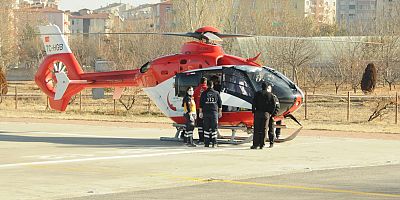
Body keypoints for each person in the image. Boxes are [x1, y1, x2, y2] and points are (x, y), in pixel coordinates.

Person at [251, 82, 276, 149]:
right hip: (266, 113)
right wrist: (271, 113)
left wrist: (253, 111)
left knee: (256, 129)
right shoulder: (270, 95)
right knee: (264, 129)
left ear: (261, 87)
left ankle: (255, 144)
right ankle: (262, 144)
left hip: (258, 112)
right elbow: (273, 105)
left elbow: (253, 103)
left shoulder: (257, 93)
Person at [199, 81, 222, 148]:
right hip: (214, 112)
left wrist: (200, 112)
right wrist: (220, 112)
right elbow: (220, 103)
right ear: (212, 85)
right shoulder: (216, 93)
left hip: (206, 112)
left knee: (206, 128)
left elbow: (201, 104)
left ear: (207, 85)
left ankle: (206, 143)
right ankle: (214, 143)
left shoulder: (203, 93)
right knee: (214, 128)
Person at [194, 77, 208, 145]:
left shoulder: (196, 89)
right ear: (205, 82)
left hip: (198, 109)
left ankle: (201, 139)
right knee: (206, 124)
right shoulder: (207, 89)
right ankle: (207, 139)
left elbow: (194, 98)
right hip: (206, 109)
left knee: (200, 124)